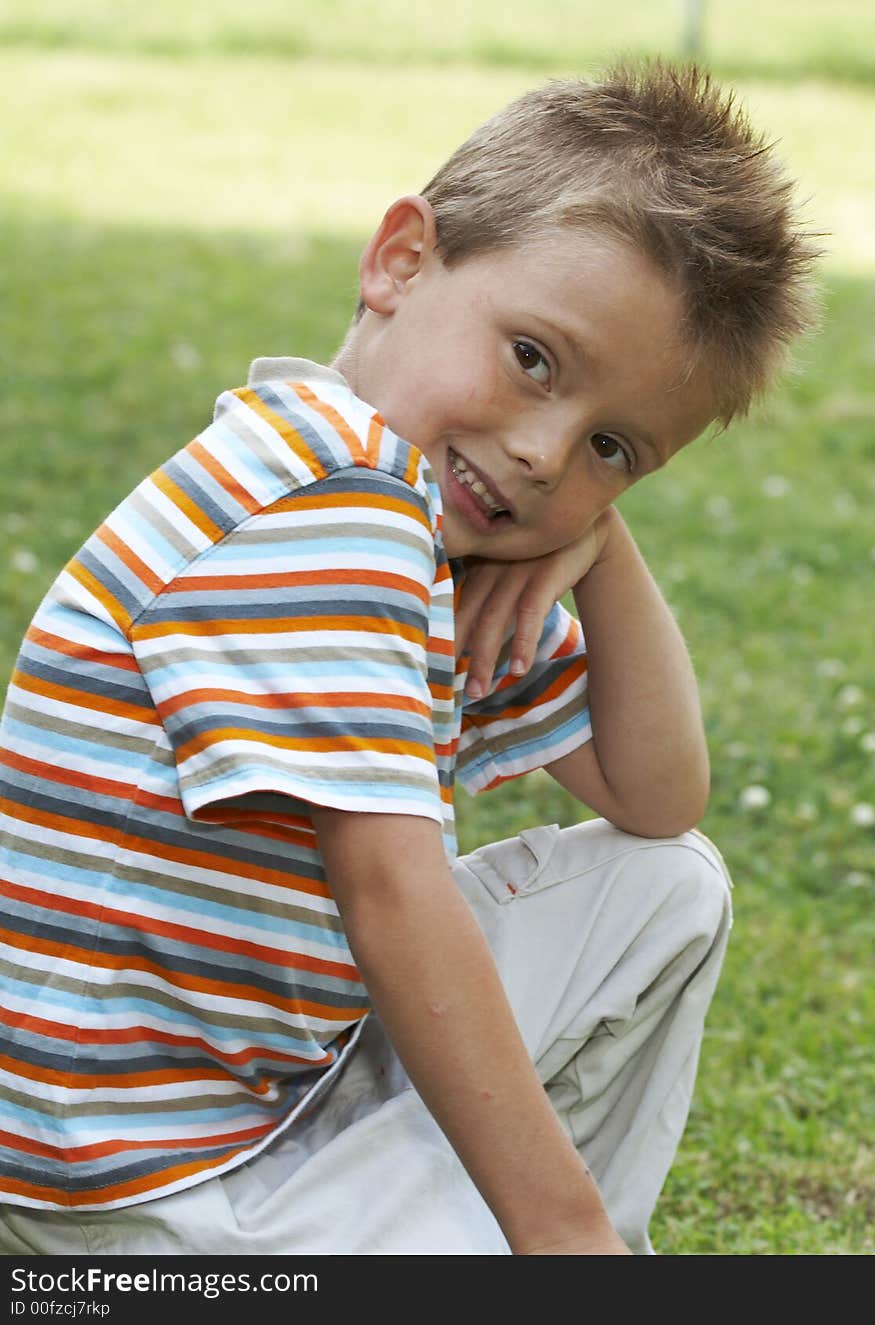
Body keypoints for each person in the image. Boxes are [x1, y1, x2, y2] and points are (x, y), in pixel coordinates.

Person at [0, 62, 817, 1256]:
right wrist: (561, 1229)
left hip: (255, 1109)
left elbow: (657, 796)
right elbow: (392, 893)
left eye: (612, 446)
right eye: (534, 357)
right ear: (399, 260)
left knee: (670, 883)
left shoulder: (424, 527)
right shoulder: (332, 501)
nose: (543, 455)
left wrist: (602, 547)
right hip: (131, 1183)